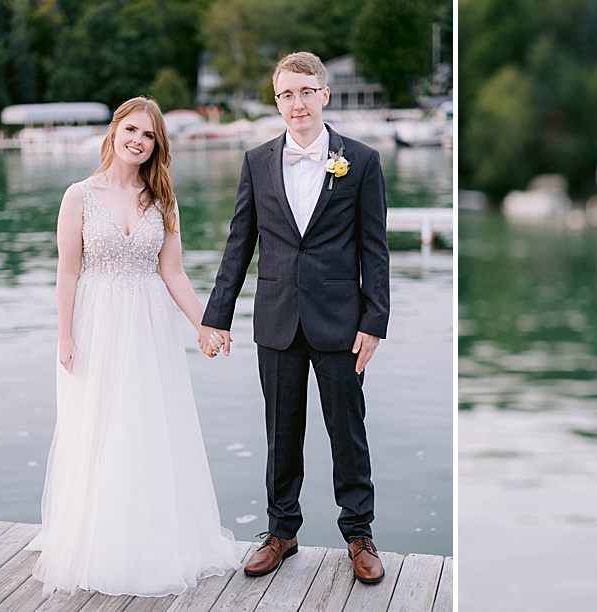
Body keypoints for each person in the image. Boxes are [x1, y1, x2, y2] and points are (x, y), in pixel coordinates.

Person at [29, 97, 240, 597]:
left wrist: (205, 325)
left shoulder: (162, 200)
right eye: (131, 130)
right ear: (114, 131)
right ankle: (101, 541)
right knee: (99, 427)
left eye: (148, 136)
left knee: (147, 426)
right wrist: (64, 334)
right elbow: (68, 271)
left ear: (156, 145)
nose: (138, 141)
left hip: (148, 330)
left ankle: (152, 538)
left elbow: (173, 272)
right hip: (96, 324)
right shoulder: (78, 196)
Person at [200, 51, 390, 584]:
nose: (297, 103)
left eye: (306, 92)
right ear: (277, 100)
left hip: (341, 322)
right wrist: (217, 317)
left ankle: (359, 534)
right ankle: (281, 531)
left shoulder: (362, 160)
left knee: (347, 432)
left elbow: (375, 249)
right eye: (286, 94)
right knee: (281, 432)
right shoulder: (257, 161)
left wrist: (374, 321)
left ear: (324, 95)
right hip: (277, 319)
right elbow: (239, 245)